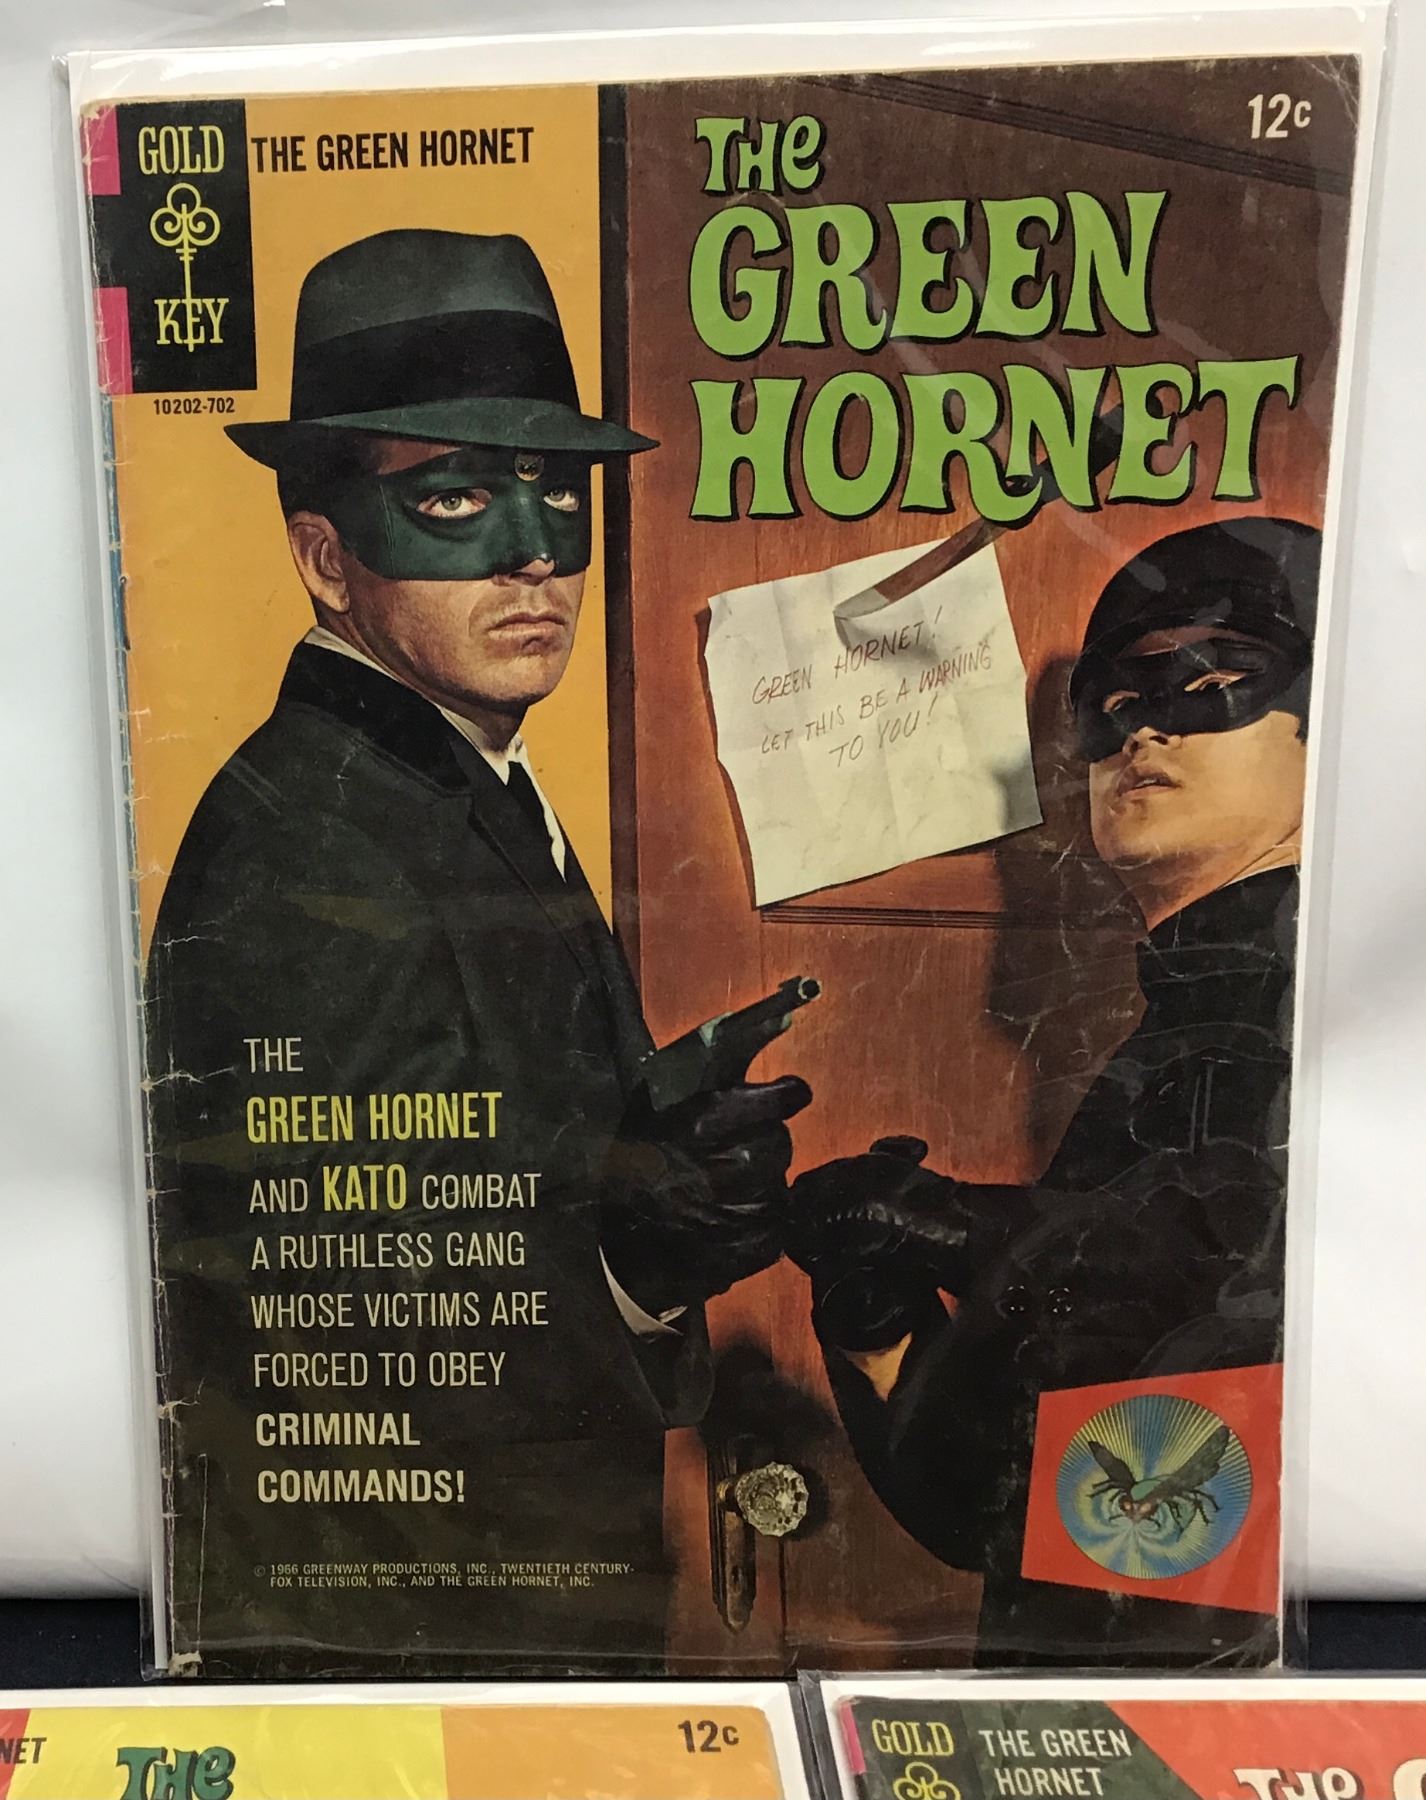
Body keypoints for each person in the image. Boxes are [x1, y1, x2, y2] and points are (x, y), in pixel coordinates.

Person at [144, 229, 809, 1677]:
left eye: (556, 491)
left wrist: (656, 1156)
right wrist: (633, 1257)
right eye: (451, 495)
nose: (533, 552)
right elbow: (349, 1302)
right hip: (395, 1647)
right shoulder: (308, 835)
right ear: (325, 558)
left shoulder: (454, 782)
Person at [788, 517, 1317, 1668]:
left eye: (1213, 683)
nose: (1144, 727)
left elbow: (1251, 1253)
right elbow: (1019, 1516)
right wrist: (881, 1319)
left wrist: (975, 1233)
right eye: (1112, 704)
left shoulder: (1336, 1009)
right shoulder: (1174, 1031)